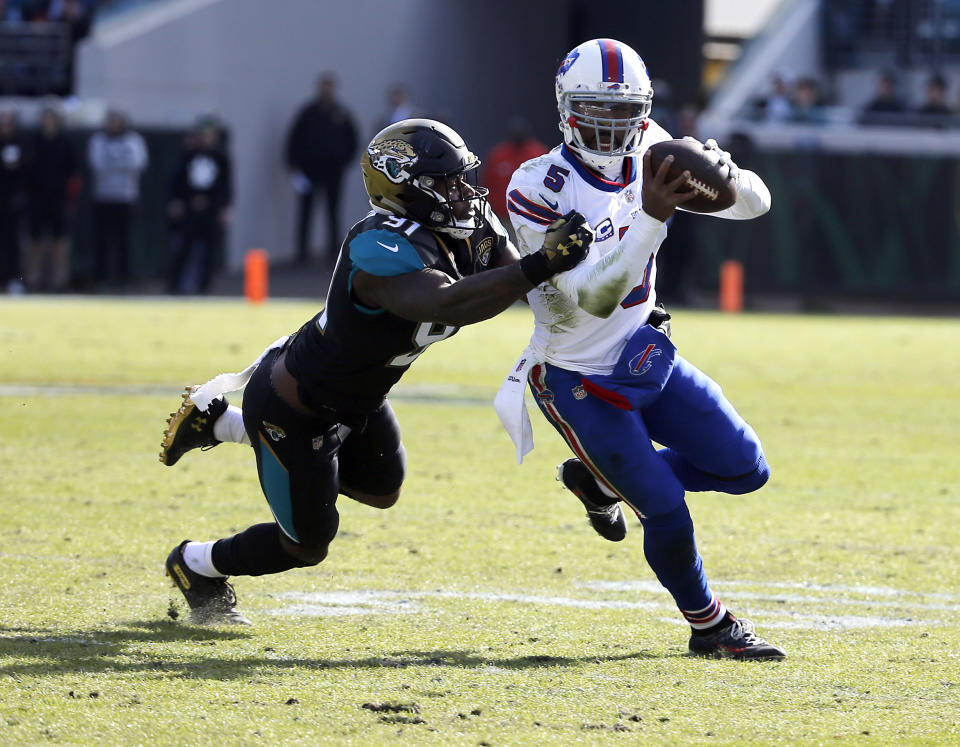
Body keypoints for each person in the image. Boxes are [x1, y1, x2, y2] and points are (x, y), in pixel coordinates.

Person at [158, 118, 593, 625]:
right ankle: (195, 564)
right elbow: (447, 302)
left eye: (461, 178)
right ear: (405, 188)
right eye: (444, 182)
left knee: (383, 489)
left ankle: (219, 423)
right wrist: (542, 264)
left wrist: (599, 292)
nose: (461, 192)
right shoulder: (378, 245)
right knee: (306, 545)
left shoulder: (470, 221)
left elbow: (515, 282)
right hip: (298, 406)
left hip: (360, 396)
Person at [494, 38, 786, 660]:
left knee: (746, 468)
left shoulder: (655, 147)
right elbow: (590, 300)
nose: (610, 125)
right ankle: (711, 627)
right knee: (666, 507)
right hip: (574, 372)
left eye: (623, 111)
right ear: (566, 108)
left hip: (643, 351)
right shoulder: (538, 185)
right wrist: (652, 216)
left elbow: (756, 205)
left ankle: (600, 484)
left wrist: (724, 172)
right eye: (595, 110)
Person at [285, 73, 358, 266]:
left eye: (330, 87)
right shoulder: (307, 113)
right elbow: (293, 140)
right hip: (310, 170)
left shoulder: (342, 114)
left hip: (333, 171)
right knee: (306, 211)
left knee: (333, 211)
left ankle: (333, 252)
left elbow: (352, 141)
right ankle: (302, 253)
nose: (326, 91)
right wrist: (293, 165)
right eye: (324, 87)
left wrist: (344, 162)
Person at [165, 116, 232, 294]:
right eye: (203, 134)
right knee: (184, 247)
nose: (206, 138)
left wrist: (223, 206)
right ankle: (175, 285)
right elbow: (177, 181)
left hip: (211, 208)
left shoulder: (221, 157)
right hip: (190, 208)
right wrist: (179, 201)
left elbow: (225, 185)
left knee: (209, 249)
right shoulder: (188, 155)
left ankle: (204, 286)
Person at [86, 108, 148, 289]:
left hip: (126, 198)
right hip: (103, 198)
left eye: (117, 121)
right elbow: (97, 164)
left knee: (124, 241)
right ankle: (101, 279)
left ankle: (124, 279)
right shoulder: (98, 140)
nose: (114, 125)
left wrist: (114, 163)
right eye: (111, 121)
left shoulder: (134, 140)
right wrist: (120, 164)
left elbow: (138, 164)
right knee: (101, 241)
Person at [24, 106, 78, 292]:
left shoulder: (65, 142)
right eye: (45, 118)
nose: (48, 122)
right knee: (34, 240)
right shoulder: (33, 141)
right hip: (36, 198)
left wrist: (70, 198)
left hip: (59, 199)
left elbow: (73, 173)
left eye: (51, 118)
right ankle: (32, 280)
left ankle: (59, 281)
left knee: (60, 240)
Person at [481, 116, 547, 230]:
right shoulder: (498, 155)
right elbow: (487, 183)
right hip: (504, 218)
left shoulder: (539, 155)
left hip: (532, 219)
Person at [0, 109, 27, 293]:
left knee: (14, 244)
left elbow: (28, 171)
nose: (5, 126)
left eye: (8, 123)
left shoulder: (22, 143)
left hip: (13, 201)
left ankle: (16, 280)